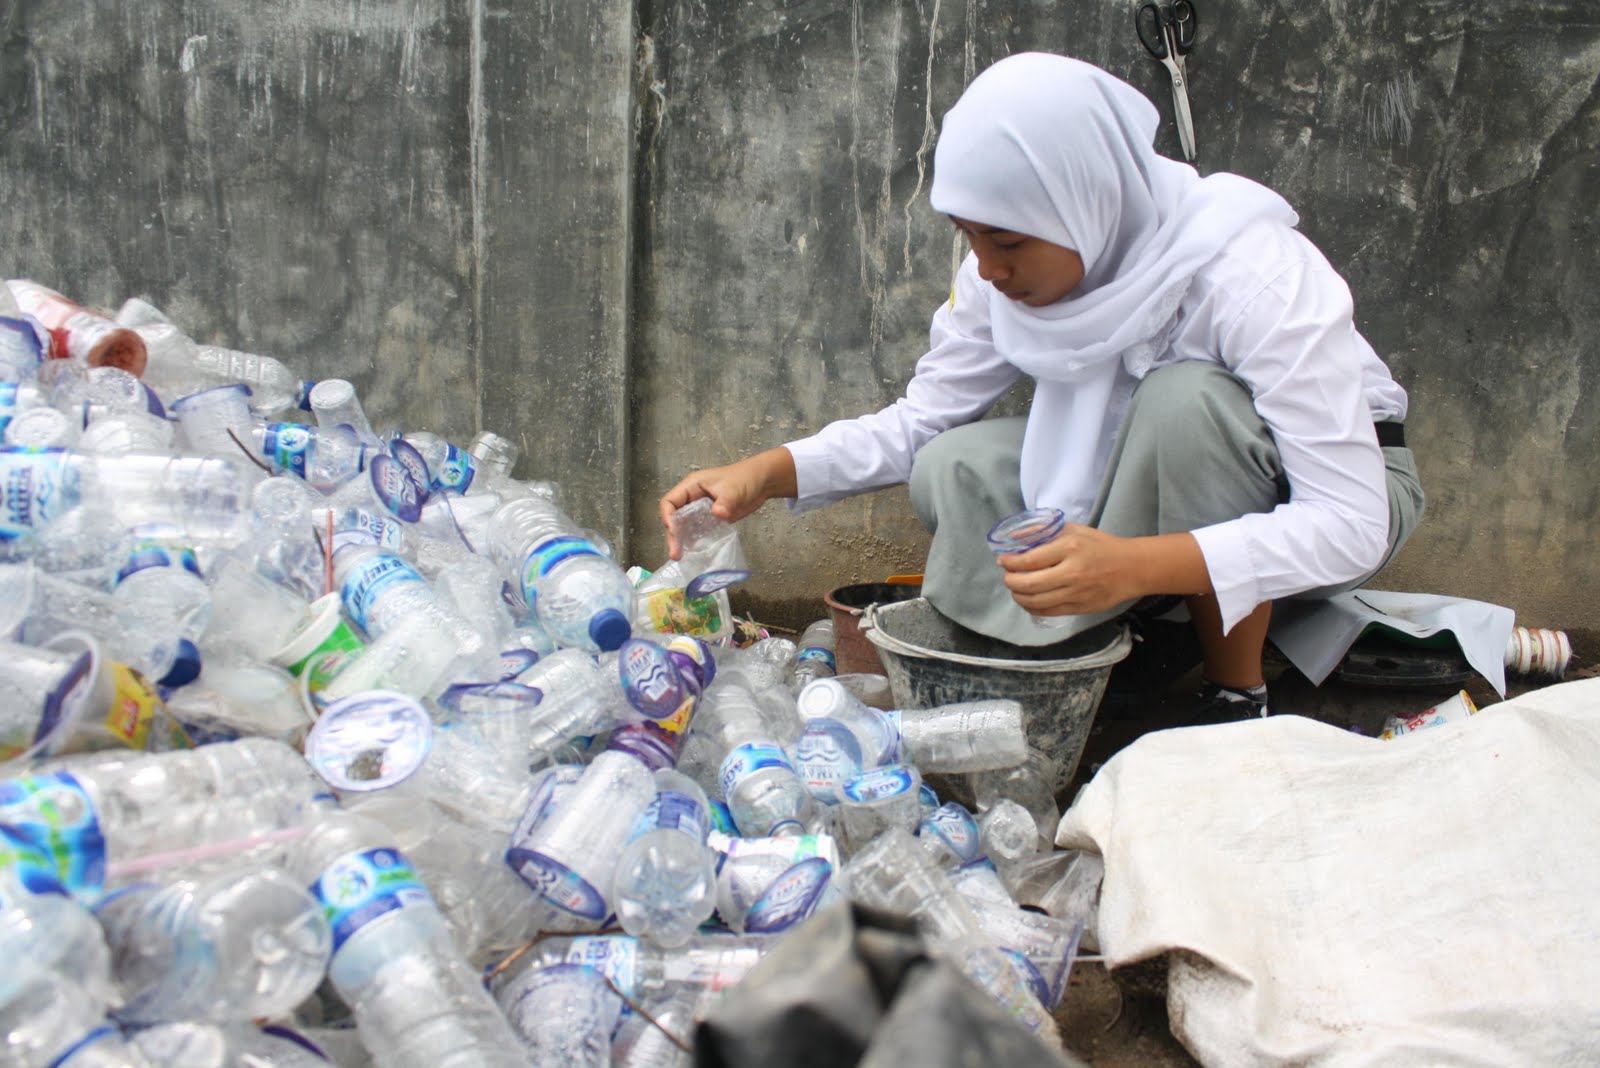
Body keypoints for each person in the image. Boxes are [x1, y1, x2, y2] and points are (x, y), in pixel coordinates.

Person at [657, 52, 1424, 724]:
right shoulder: (1001, 272)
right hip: (1137, 461)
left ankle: (1232, 693)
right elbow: (921, 423)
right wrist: (767, 473)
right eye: (971, 236)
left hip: (1335, 487)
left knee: (1185, 405)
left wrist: (1134, 566)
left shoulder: (1250, 273)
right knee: (951, 466)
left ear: (1084, 200)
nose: (987, 267)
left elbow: (1347, 520)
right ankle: (1093, 649)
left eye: (1008, 241)